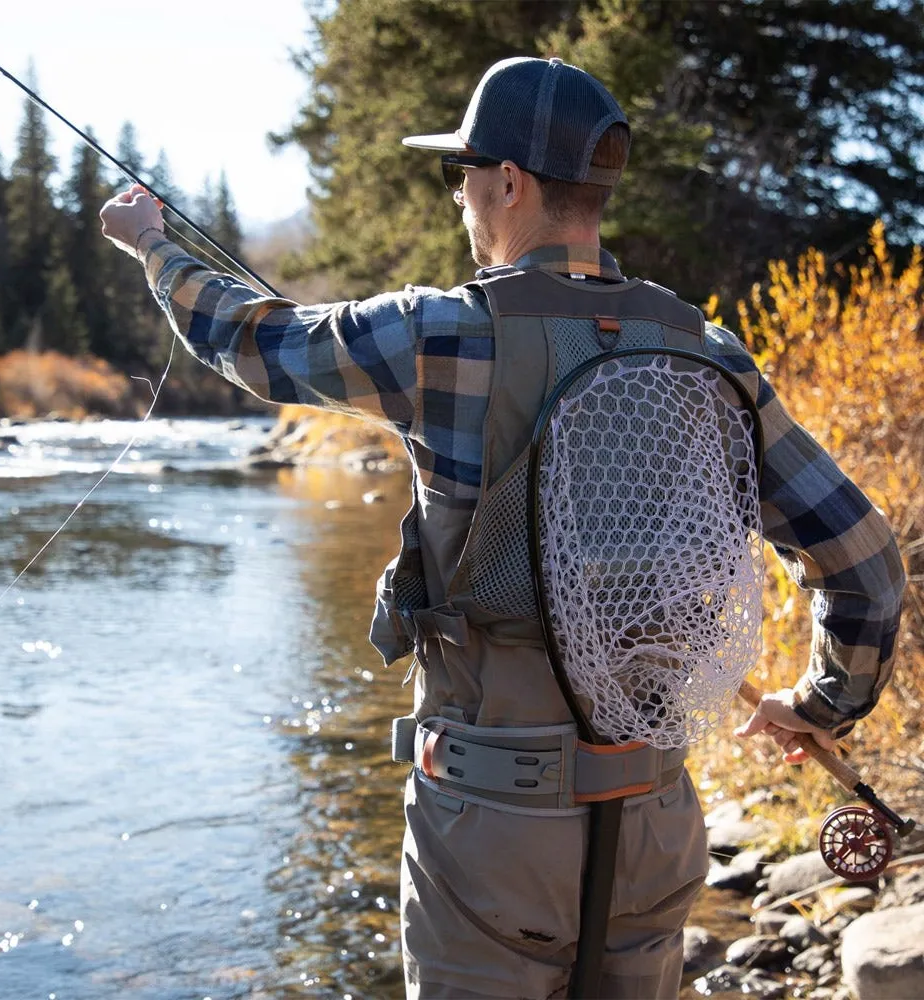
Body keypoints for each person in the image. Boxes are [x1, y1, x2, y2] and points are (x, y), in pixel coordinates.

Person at [100, 56, 905, 1000]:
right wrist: (819, 707)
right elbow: (865, 567)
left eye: (462, 174)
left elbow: (254, 343)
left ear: (509, 182)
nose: (460, 198)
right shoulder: (709, 350)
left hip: (490, 833)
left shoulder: (439, 332)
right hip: (653, 824)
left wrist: (154, 244)